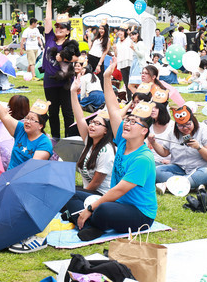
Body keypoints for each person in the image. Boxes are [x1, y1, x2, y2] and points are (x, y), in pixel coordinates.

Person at [60, 59, 157, 243]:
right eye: (127, 120)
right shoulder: (122, 140)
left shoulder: (144, 158)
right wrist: (106, 77)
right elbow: (113, 109)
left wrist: (91, 208)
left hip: (140, 214)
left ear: (144, 131)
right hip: (117, 203)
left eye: (133, 122)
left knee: (102, 208)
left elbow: (119, 190)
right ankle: (91, 226)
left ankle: (86, 219)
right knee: (69, 192)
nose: (127, 123)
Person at [0, 80, 52, 173]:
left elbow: (32, 168)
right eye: (27, 118)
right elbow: (4, 116)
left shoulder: (44, 143)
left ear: (40, 125)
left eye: (32, 119)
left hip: (27, 179)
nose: (27, 122)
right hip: (10, 177)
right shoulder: (21, 129)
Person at [150, 105, 207, 191]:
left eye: (188, 124)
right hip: (179, 169)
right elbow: (164, 152)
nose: (185, 128)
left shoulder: (205, 130)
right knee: (156, 171)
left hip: (201, 170)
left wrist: (199, 147)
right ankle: (188, 184)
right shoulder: (173, 133)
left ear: (193, 120)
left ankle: (169, 184)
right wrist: (153, 142)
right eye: (181, 126)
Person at [70, 79, 115, 195]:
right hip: (88, 191)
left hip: (100, 195)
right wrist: (73, 92)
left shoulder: (106, 151)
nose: (92, 125)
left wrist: (78, 194)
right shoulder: (89, 142)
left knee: (66, 196)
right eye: (92, 122)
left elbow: (95, 184)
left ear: (106, 131)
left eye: (97, 124)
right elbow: (79, 117)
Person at [42, 0, 77, 138]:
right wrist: (49, 1)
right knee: (53, 112)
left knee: (68, 112)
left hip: (66, 82)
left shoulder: (71, 43)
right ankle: (56, 138)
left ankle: (70, 138)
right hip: (50, 81)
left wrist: (64, 58)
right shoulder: (49, 38)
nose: (58, 29)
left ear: (68, 31)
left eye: (61, 27)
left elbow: (77, 58)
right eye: (57, 26)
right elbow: (48, 19)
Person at [148, 87, 173, 165]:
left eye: (156, 108)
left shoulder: (173, 126)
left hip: (166, 163)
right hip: (150, 160)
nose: (153, 110)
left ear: (162, 110)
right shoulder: (148, 125)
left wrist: (171, 162)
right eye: (151, 107)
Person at [114, 26, 133, 101]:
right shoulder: (118, 42)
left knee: (132, 83)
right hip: (122, 64)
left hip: (130, 63)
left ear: (125, 32)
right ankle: (129, 100)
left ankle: (134, 99)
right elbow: (116, 55)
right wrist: (115, 49)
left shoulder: (129, 40)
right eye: (119, 31)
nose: (119, 32)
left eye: (121, 31)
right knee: (126, 83)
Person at [128, 28, 147, 94]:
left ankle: (139, 98)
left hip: (138, 66)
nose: (132, 37)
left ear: (137, 35)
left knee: (131, 85)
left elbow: (142, 55)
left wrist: (134, 49)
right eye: (131, 35)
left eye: (133, 35)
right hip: (135, 65)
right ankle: (140, 99)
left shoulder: (140, 43)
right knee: (138, 85)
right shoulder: (136, 43)